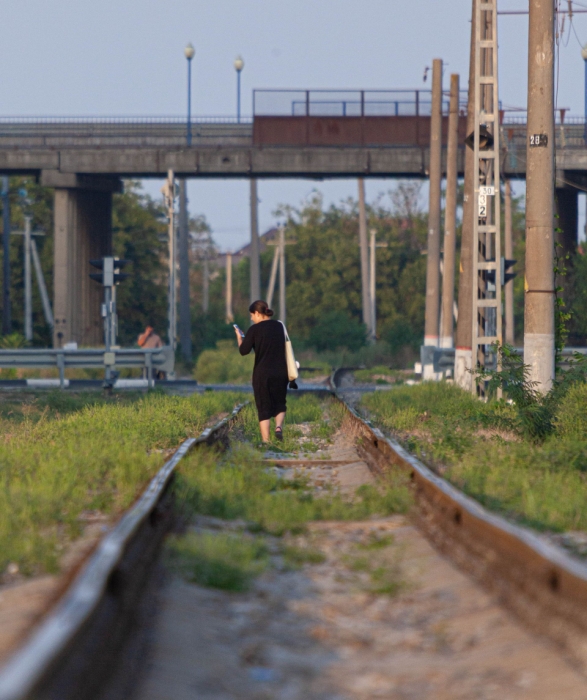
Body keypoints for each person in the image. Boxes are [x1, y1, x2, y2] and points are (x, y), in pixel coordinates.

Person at [235, 300, 288, 442]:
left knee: (263, 407)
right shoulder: (279, 326)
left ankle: (266, 441)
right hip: (280, 371)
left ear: (257, 313)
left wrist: (240, 338)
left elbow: (244, 351)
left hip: (262, 373)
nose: (252, 318)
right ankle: (278, 427)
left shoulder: (254, 330)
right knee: (280, 403)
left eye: (252, 315)